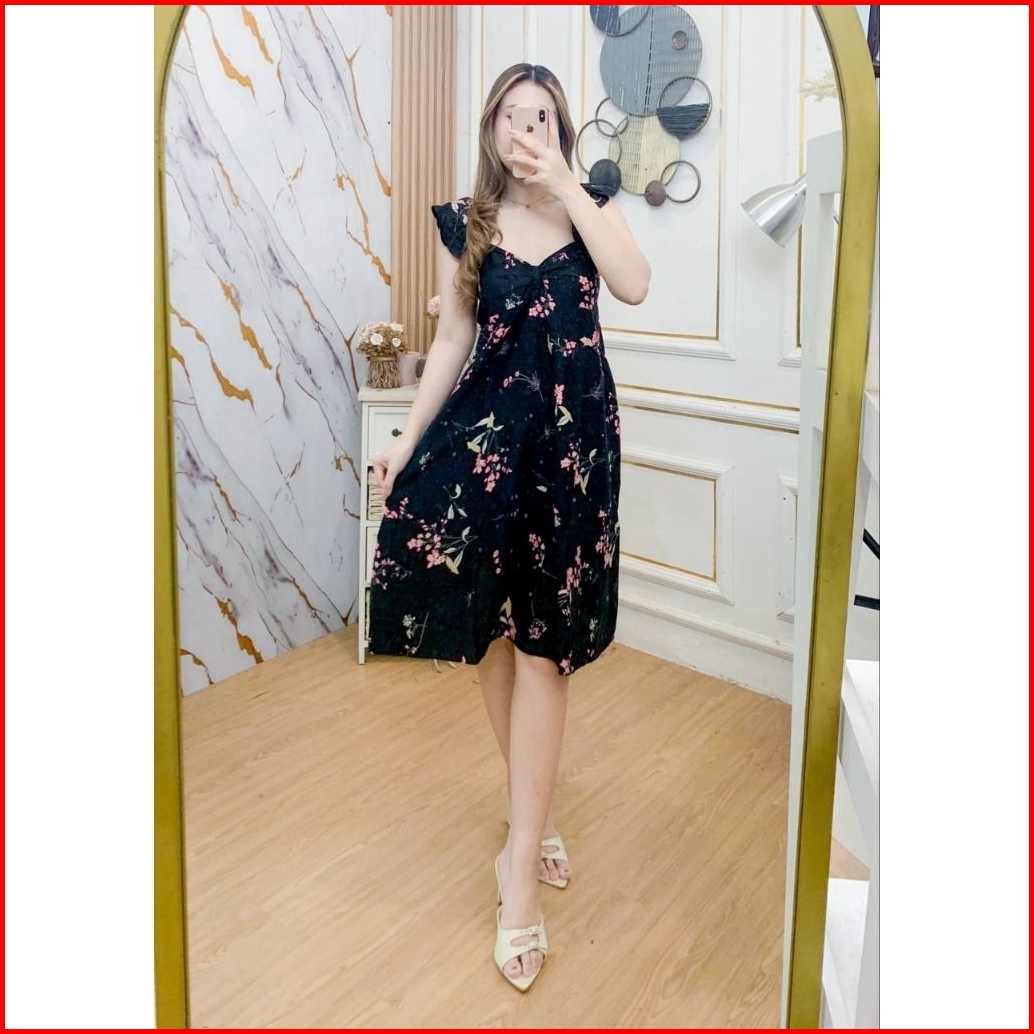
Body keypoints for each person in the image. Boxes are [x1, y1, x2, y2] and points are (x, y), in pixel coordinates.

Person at [368, 63, 650, 991]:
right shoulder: (469, 224)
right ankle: (535, 818)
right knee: (495, 638)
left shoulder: (589, 212)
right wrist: (406, 441)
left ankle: (518, 867)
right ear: (491, 130)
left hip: (571, 457)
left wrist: (568, 183)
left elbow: (636, 283)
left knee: (544, 654)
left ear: (561, 130)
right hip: (488, 450)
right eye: (511, 116)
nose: (526, 128)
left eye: (543, 116)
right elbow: (454, 340)